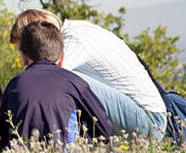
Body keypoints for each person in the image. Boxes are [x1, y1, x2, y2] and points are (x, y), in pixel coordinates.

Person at [10, 9, 167, 139]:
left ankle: (69, 147)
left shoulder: (74, 42)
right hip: (141, 115)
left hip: (149, 121)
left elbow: (45, 81)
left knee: (61, 79)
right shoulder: (78, 30)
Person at [0, 21, 114, 150]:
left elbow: (0, 139)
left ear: (23, 57)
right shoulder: (75, 83)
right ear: (61, 56)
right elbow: (105, 131)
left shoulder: (14, 85)